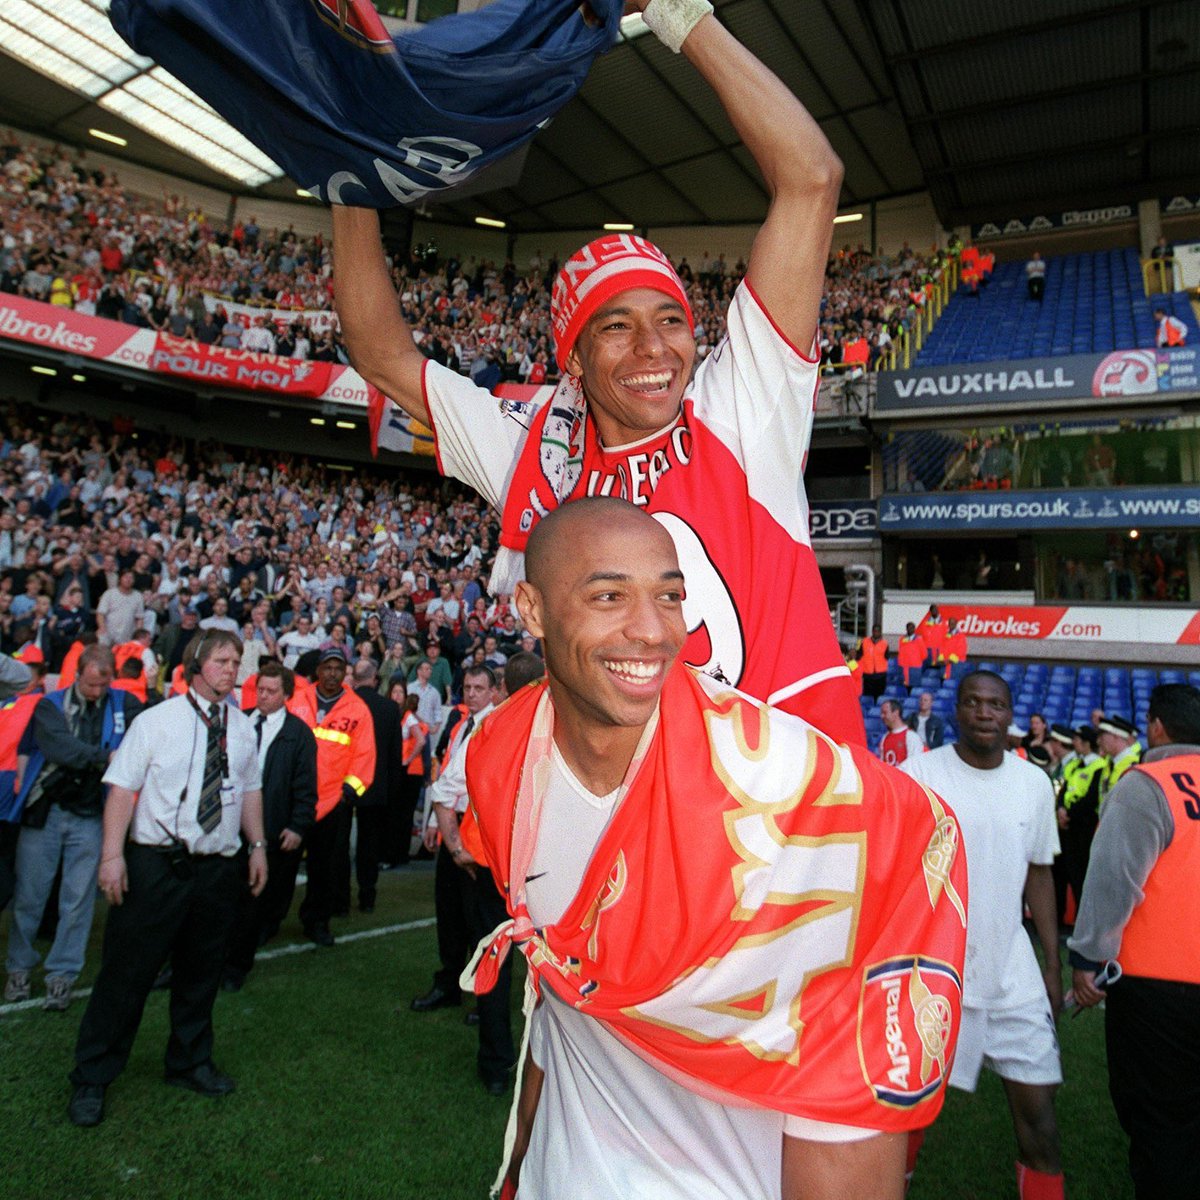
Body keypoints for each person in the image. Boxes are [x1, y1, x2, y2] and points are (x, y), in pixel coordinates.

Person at [333, 0, 864, 746]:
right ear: (574, 361)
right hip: (628, 824)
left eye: (671, 320)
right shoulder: (534, 447)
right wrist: (347, 180)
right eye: (617, 326)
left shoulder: (740, 404)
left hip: (786, 816)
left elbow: (812, 177)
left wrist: (678, 14)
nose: (655, 348)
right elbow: (382, 353)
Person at [463, 497, 967, 1200]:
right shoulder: (504, 759)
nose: (652, 631)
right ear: (532, 609)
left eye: (669, 597)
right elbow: (556, 988)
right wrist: (519, 1161)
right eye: (609, 595)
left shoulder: (810, 800)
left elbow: (850, 1087)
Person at [68, 629, 267, 1128]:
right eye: (222, 659)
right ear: (196, 663)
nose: (231, 668)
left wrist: (257, 845)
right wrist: (112, 856)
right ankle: (93, 1075)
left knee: (201, 973)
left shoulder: (243, 729)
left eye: (236, 660)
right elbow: (119, 790)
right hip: (157, 864)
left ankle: (189, 1061)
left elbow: (249, 790)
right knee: (126, 972)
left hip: (218, 867)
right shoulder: (156, 721)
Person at [901, 670, 1065, 1200]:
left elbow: (1040, 871)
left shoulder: (1033, 784)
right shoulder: (919, 774)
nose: (984, 712)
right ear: (958, 711)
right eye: (972, 702)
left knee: (1040, 1121)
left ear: (1010, 712)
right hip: (933, 973)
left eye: (995, 704)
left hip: (1012, 971)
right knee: (903, 1124)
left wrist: (1052, 964)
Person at [1068, 683, 1200, 1200]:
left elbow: (1113, 880)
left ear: (1156, 728)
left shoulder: (1147, 784)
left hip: (1157, 990)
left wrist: (1088, 958)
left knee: (1162, 1127)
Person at [4, 647, 138, 1011]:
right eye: (91, 683)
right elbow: (60, 748)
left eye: (103, 683)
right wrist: (106, 757)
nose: (96, 691)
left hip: (92, 813)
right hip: (46, 811)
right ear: (78, 674)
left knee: (77, 901)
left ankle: (62, 975)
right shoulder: (51, 705)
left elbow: (136, 742)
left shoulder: (123, 703)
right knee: (30, 897)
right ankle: (19, 967)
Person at [223, 662, 317, 991]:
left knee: (253, 901)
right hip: (227, 826)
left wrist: (298, 825)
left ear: (287, 695)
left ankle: (235, 968)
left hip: (271, 827)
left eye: (271, 691)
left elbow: (306, 787)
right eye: (260, 689)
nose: (263, 696)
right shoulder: (237, 721)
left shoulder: (299, 734)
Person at [411, 665, 497, 1021]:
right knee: (447, 909)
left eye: (479, 687)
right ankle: (448, 983)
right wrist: (435, 821)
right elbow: (445, 775)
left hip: (477, 828)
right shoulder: (460, 725)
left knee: (478, 917)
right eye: (467, 687)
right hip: (451, 821)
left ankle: (484, 996)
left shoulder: (496, 726)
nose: (472, 693)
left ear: (493, 691)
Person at [298, 643, 375, 947]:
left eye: (337, 668)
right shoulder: (298, 698)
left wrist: (347, 794)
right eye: (327, 667)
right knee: (282, 864)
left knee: (324, 868)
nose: (332, 673)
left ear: (346, 673)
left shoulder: (358, 709)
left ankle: (317, 921)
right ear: (317, 671)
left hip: (332, 802)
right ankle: (267, 919)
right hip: (296, 797)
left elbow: (365, 757)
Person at [340, 658, 401, 914]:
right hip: (375, 786)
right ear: (375, 678)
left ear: (354, 678)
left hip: (343, 785)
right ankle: (367, 895)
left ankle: (339, 899)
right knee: (369, 844)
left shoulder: (345, 705)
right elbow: (394, 754)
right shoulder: (388, 708)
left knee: (339, 844)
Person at [1053, 725, 1104, 929]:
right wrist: (1060, 809)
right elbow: (1064, 788)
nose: (1073, 743)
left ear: (1086, 743)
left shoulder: (1099, 766)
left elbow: (1091, 798)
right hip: (1067, 827)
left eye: (1077, 739)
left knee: (1080, 877)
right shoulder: (1074, 764)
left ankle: (1083, 925)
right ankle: (1060, 921)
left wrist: (1069, 813)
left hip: (1083, 827)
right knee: (1063, 874)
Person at [1096, 713, 1142, 805]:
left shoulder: (1135, 765)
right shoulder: (1109, 763)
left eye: (1102, 736)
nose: (1098, 741)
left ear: (1116, 736)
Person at [877, 699, 923, 766]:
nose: (882, 716)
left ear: (896, 713)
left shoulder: (911, 736)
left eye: (885, 713)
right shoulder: (885, 738)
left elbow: (914, 766)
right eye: (881, 713)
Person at [858, 625, 888, 703]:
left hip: (880, 674)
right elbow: (859, 655)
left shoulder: (885, 644)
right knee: (867, 696)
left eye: (878, 631)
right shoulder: (864, 642)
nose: (876, 633)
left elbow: (887, 657)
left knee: (879, 696)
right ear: (872, 631)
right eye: (874, 631)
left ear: (880, 632)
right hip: (867, 674)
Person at [896, 623, 925, 691]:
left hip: (914, 668)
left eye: (912, 628)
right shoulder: (902, 639)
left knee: (914, 688)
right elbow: (900, 651)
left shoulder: (919, 639)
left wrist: (915, 660)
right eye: (908, 628)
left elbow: (924, 654)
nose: (910, 629)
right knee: (903, 688)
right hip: (903, 667)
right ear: (906, 629)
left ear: (914, 629)